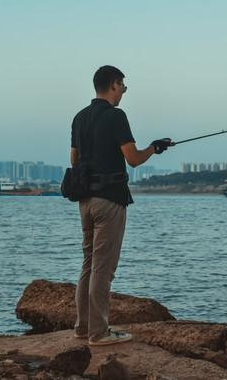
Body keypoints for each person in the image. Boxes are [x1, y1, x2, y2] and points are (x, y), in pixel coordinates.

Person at [70, 65, 172, 345]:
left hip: (85, 201)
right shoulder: (116, 116)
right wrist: (155, 147)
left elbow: (74, 160)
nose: (125, 91)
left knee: (88, 264)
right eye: (123, 86)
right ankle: (99, 333)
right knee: (103, 268)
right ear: (113, 85)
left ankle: (82, 327)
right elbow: (134, 159)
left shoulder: (80, 118)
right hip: (110, 200)